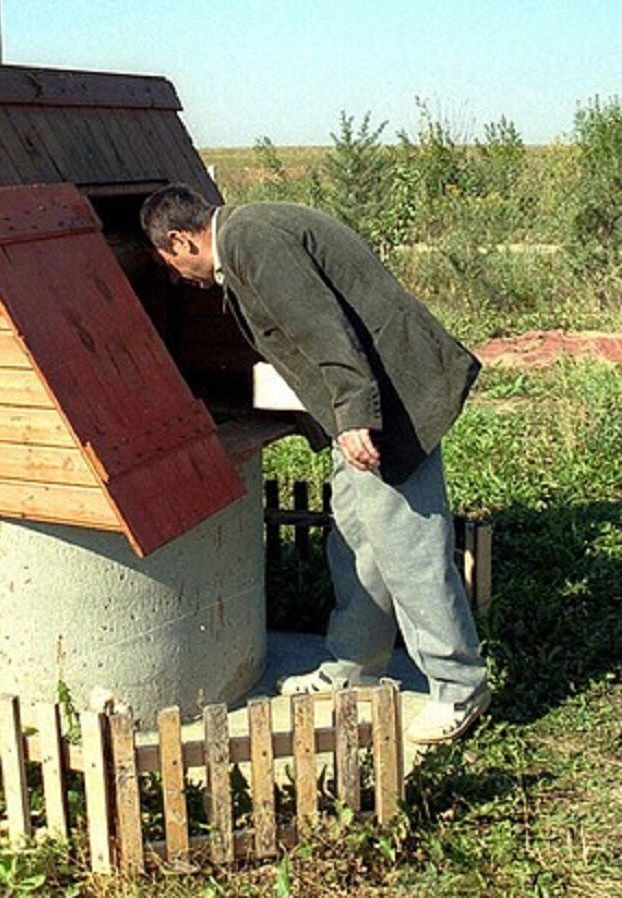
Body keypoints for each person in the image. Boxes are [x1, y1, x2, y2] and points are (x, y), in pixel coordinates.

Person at [140, 183, 490, 743]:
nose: (180, 279)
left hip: (389, 404)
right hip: (369, 402)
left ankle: (458, 687)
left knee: (407, 548)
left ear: (182, 240)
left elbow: (321, 327)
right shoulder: (247, 237)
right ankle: (353, 664)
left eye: (171, 264)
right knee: (355, 538)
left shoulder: (251, 240)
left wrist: (355, 417)